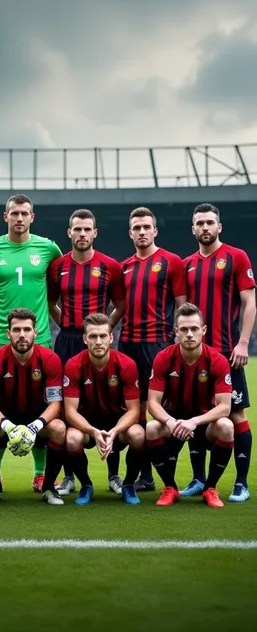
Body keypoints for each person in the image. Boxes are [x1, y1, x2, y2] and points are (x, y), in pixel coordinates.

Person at [0, 194, 62, 490]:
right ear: (6, 217)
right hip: (1, 338)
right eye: (14, 213)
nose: (19, 218)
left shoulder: (49, 248)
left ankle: (41, 473)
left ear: (32, 217)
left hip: (40, 342)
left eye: (25, 213)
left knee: (42, 405)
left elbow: (55, 294)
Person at [48, 208, 125, 497]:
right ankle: (69, 477)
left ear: (95, 233)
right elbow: (51, 302)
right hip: (68, 339)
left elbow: (120, 304)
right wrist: (69, 327)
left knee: (110, 402)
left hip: (100, 341)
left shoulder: (111, 267)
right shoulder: (57, 267)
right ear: (69, 233)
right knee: (70, 409)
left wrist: (104, 330)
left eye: (87, 229)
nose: (82, 234)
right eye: (77, 229)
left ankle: (114, 475)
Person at [182, 203, 256, 502]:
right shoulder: (187, 263)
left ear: (219, 227)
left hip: (227, 352)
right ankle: (199, 479)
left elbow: (250, 302)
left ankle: (241, 482)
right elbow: (184, 311)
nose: (205, 227)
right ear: (193, 229)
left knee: (236, 415)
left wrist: (243, 343)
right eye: (199, 223)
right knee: (195, 414)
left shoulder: (236, 256)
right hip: (195, 355)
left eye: (210, 222)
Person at [117, 206, 186, 493]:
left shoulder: (172, 262)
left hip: (159, 345)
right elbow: (120, 307)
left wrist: (178, 341)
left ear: (155, 231)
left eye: (147, 227)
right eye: (137, 228)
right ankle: (142, 474)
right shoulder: (124, 266)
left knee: (164, 408)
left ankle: (166, 467)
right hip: (128, 344)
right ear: (130, 232)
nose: (142, 232)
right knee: (134, 409)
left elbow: (182, 305)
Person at [147, 302, 234, 508]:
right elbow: (152, 402)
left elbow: (225, 407)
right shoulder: (164, 357)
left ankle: (210, 488)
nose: (189, 334)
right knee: (151, 428)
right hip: (174, 422)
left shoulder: (218, 360)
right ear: (176, 331)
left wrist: (194, 422)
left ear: (203, 330)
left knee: (227, 426)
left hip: (204, 422)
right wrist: (169, 421)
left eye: (194, 329)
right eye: (184, 329)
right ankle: (170, 487)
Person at [0, 308, 66, 506]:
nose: (22, 335)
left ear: (36, 332)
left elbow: (55, 405)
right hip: (5, 419)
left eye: (27, 329)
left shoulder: (50, 359)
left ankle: (49, 487)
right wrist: (9, 427)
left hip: (38, 419)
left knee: (59, 429)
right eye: (16, 330)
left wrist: (34, 427)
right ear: (8, 333)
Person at [63, 313, 145, 505]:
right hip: (87, 426)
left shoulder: (127, 365)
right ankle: (86, 485)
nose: (98, 341)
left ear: (111, 337)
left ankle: (129, 485)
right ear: (85, 339)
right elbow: (70, 412)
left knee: (139, 435)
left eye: (102, 336)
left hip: (118, 425)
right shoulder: (73, 365)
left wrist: (115, 431)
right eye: (92, 336)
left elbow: (134, 410)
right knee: (71, 438)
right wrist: (93, 431)